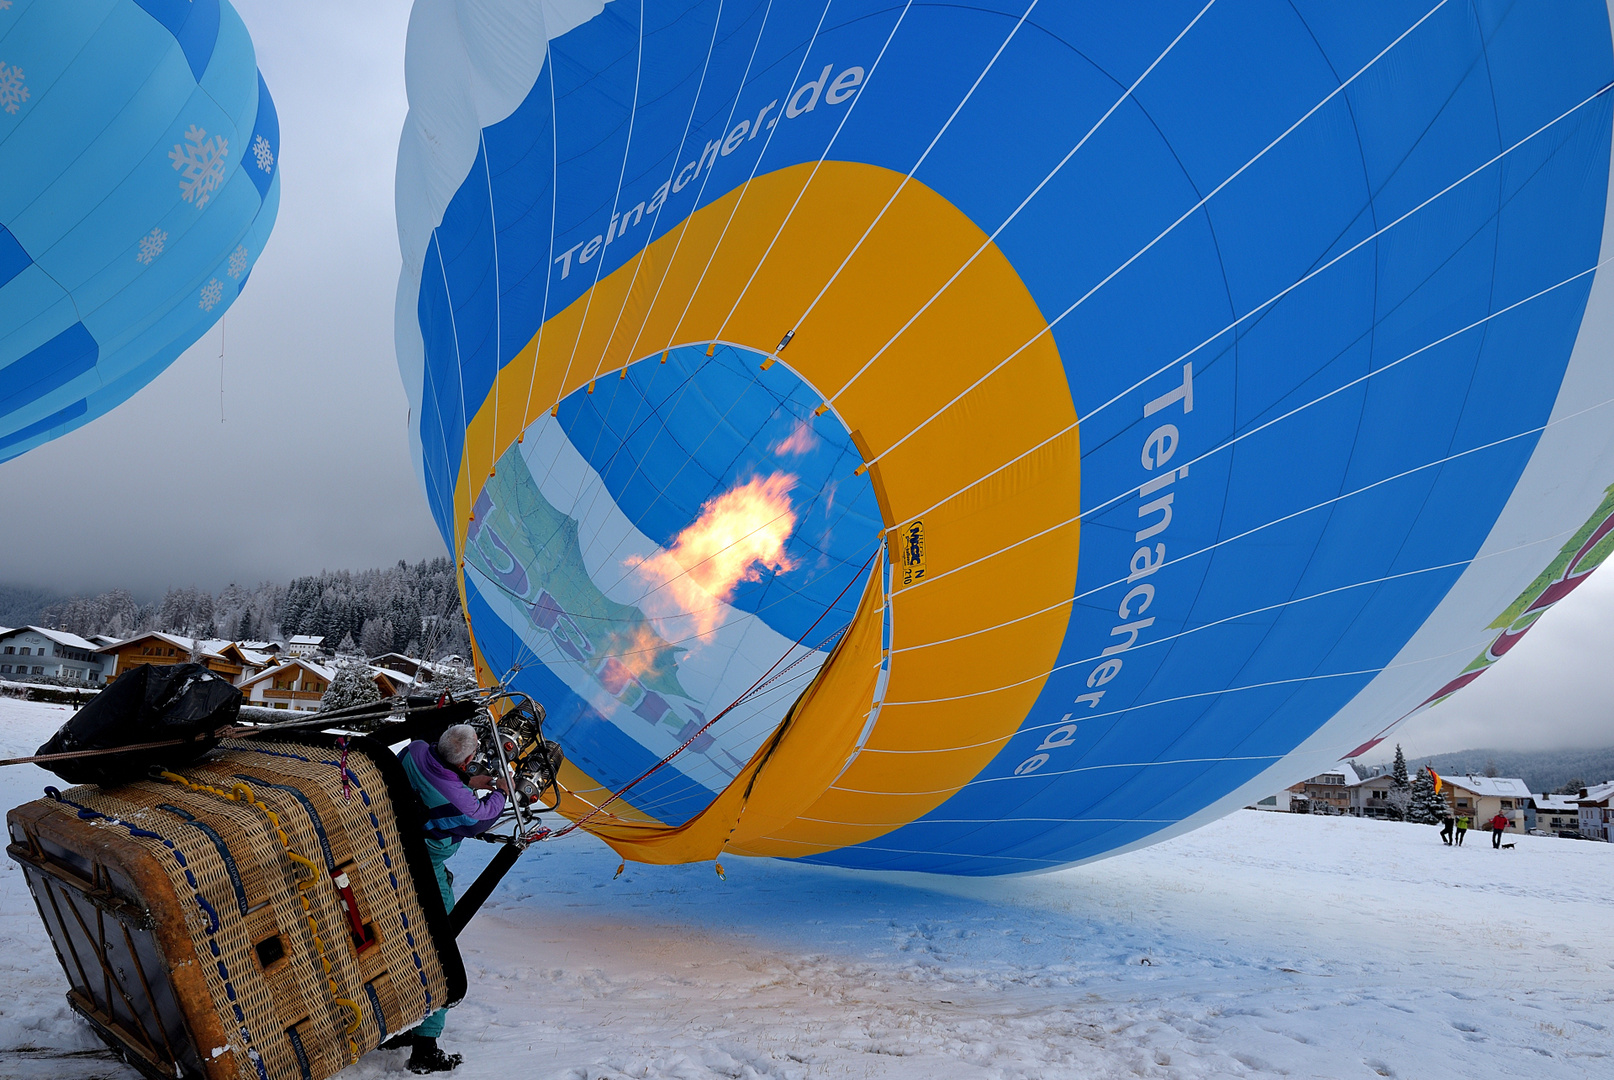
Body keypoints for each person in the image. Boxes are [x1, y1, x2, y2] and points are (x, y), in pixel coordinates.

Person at [384, 724, 507, 1073]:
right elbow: (479, 817)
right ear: (468, 759)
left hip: (389, 853)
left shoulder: (415, 751)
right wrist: (501, 789)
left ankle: (402, 1020)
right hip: (424, 869)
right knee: (440, 948)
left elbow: (435, 785)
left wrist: (468, 783)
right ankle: (425, 1046)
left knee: (400, 942)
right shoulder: (462, 803)